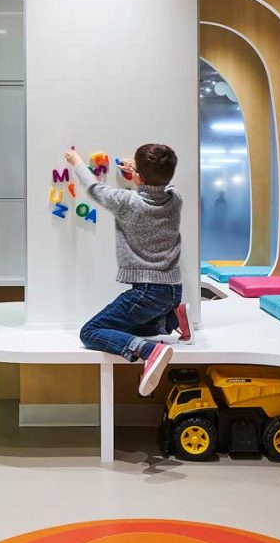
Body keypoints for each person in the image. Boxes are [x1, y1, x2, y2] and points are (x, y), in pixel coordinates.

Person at [66, 143, 191, 396]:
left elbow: (94, 187)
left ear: (138, 176)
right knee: (120, 327)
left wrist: (77, 162)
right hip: (172, 291)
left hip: (147, 293)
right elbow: (163, 185)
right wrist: (139, 170)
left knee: (90, 332)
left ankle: (148, 351)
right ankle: (168, 319)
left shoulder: (126, 201)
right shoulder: (175, 199)